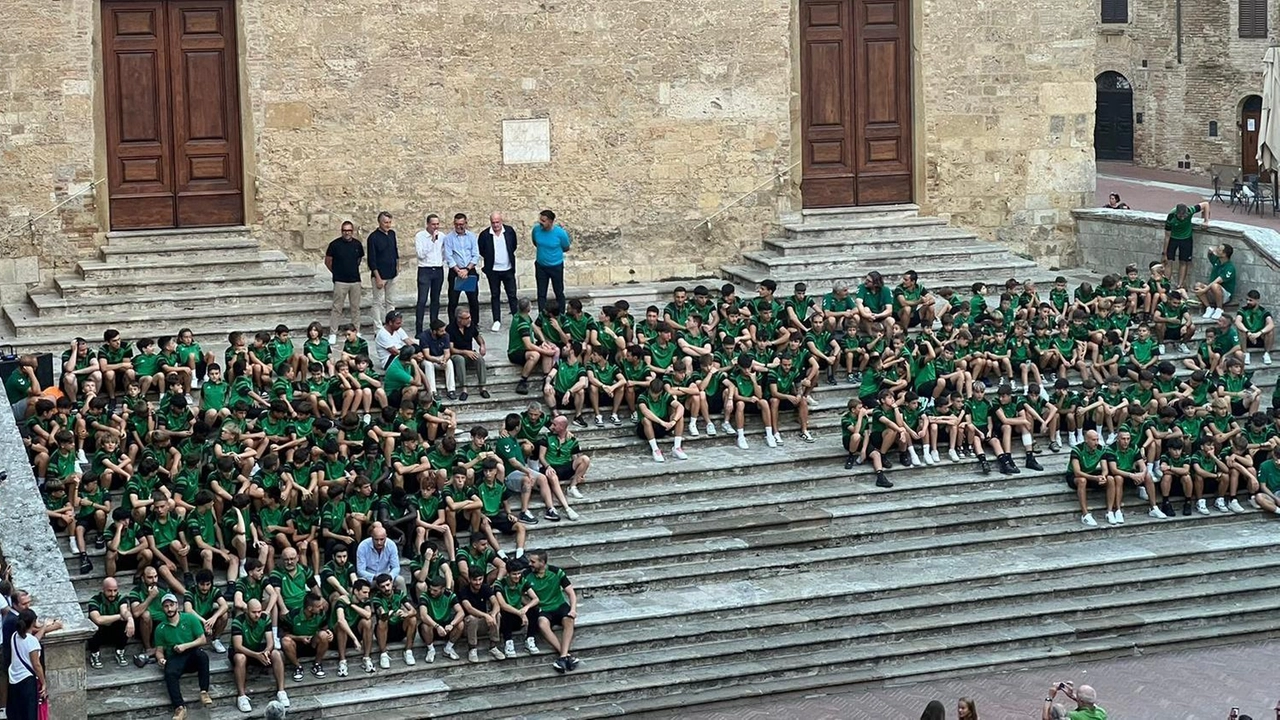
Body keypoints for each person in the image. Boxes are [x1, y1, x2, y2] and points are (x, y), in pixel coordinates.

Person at [153, 593, 213, 720]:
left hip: (191, 653)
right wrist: (160, 659)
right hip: (174, 657)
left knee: (202, 656)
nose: (169, 609)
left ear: (177, 605)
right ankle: (179, 707)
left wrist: (185, 646)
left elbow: (202, 640)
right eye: (166, 606)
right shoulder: (160, 628)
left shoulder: (190, 619)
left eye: (171, 605)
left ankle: (204, 691)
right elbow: (159, 650)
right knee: (169, 672)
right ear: (162, 608)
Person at [229, 599, 289, 713]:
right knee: (240, 658)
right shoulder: (238, 621)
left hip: (257, 648)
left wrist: (266, 652)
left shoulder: (265, 618)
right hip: (242, 650)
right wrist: (256, 655)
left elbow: (270, 641)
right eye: (254, 612)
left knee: (276, 653)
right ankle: (241, 696)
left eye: (259, 611)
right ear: (247, 611)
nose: (257, 615)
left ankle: (281, 692)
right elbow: (237, 646)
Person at [528, 549, 579, 673]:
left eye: (533, 562)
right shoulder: (526, 575)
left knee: (569, 620)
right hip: (543, 608)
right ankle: (565, 655)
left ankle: (562, 656)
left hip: (559, 605)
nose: (529, 564)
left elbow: (571, 593)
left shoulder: (556, 572)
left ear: (542, 562)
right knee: (542, 624)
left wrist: (573, 609)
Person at [325, 220, 365, 343]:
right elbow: (328, 261)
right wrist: (336, 273)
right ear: (341, 231)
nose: (347, 233)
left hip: (355, 281)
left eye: (349, 230)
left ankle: (356, 331)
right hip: (340, 281)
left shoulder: (357, 244)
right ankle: (333, 333)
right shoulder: (334, 245)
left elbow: (359, 260)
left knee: (355, 308)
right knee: (337, 308)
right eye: (344, 230)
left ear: (352, 231)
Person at [478, 211, 519, 331]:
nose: (495, 225)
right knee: (495, 295)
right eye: (493, 222)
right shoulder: (485, 235)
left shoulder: (509, 231)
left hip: (508, 269)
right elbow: (482, 250)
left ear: (501, 221)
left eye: (497, 222)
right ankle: (496, 320)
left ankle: (516, 318)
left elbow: (513, 246)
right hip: (493, 270)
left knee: (512, 295)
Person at [6, 609, 45, 720]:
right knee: (29, 714)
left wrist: (44, 628)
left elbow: (32, 641)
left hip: (14, 680)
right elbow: (36, 665)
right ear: (33, 623)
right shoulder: (31, 641)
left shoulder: (15, 636)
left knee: (17, 714)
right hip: (27, 681)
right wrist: (43, 683)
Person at [1163, 201, 1210, 289]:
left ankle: (1180, 284)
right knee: (1169, 261)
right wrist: (1164, 252)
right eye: (1180, 216)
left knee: (1183, 261)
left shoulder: (1190, 210)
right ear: (1176, 213)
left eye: (1184, 216)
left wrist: (1206, 220)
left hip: (1186, 238)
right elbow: (1167, 235)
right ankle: (1166, 283)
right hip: (1173, 238)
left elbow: (1206, 204)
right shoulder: (1171, 217)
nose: (1182, 218)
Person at [445, 212, 482, 325]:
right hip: (456, 271)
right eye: (456, 224)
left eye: (461, 224)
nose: (459, 227)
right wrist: (458, 270)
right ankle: (453, 325)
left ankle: (474, 324)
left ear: (466, 223)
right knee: (453, 301)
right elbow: (449, 256)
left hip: (469, 270)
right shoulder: (449, 238)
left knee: (473, 300)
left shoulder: (471, 236)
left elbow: (475, 254)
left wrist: (467, 269)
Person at [532, 209, 570, 313]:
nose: (541, 222)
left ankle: (561, 315)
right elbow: (535, 242)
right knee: (541, 293)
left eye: (544, 221)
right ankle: (542, 315)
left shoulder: (560, 233)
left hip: (556, 266)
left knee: (559, 292)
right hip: (541, 266)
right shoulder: (536, 230)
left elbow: (566, 247)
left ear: (551, 221)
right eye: (540, 220)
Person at [414, 213, 446, 333]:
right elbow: (421, 255)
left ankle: (435, 327)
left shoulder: (442, 236)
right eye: (433, 224)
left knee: (435, 299)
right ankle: (419, 329)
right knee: (422, 300)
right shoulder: (420, 236)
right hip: (425, 269)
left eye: (437, 224)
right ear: (427, 224)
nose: (435, 227)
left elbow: (443, 252)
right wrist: (432, 241)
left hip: (438, 269)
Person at [447, 309, 490, 400]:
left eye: (469, 317)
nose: (469, 319)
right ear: (459, 319)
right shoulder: (450, 329)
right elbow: (451, 348)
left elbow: (478, 337)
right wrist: (465, 352)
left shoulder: (471, 326)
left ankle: (483, 387)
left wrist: (482, 345)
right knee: (460, 359)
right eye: (466, 318)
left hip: (469, 352)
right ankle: (464, 389)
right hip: (457, 353)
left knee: (479, 359)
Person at [367, 211, 399, 326]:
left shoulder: (392, 234)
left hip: (392, 274)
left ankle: (391, 324)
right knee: (378, 302)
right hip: (380, 275)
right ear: (379, 222)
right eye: (385, 222)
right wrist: (378, 277)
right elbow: (372, 260)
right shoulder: (373, 237)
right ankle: (378, 327)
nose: (388, 225)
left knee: (390, 302)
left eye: (389, 222)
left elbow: (395, 252)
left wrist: (397, 268)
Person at [1193, 243, 1237, 320]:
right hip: (1212, 291)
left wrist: (1204, 290)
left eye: (1219, 250)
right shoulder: (1217, 261)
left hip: (1225, 295)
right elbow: (1210, 255)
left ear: (1224, 254)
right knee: (1198, 285)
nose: (1217, 250)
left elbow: (1217, 281)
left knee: (1214, 285)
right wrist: (1210, 251)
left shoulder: (1230, 268)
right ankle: (1209, 308)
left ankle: (1219, 309)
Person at [356, 523, 404, 591]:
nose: (379, 542)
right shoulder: (363, 546)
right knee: (360, 584)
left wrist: (390, 577)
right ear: (371, 537)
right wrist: (374, 577)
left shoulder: (391, 545)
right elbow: (360, 570)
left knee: (400, 580)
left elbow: (396, 567)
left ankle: (404, 601)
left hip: (386, 576)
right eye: (376, 539)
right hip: (370, 578)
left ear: (386, 537)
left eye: (382, 539)